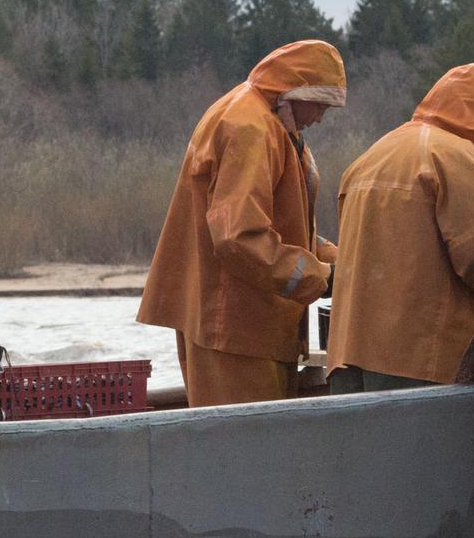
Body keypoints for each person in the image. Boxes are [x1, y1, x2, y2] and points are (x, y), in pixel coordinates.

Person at [137, 39, 346, 407]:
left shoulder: (269, 121)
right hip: (232, 327)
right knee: (244, 453)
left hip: (246, 325)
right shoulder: (249, 128)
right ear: (295, 91)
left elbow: (281, 223)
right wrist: (321, 278)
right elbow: (239, 238)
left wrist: (340, 259)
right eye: (321, 104)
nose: (320, 117)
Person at [326, 63, 474, 393]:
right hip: (419, 361)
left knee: (363, 447)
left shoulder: (371, 155)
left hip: (348, 355)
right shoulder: (454, 155)